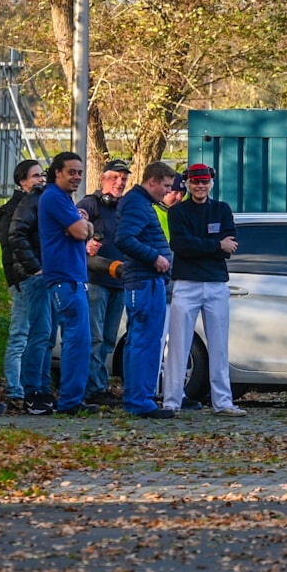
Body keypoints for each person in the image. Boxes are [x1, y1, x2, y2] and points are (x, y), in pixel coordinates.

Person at [165, 162, 242, 416]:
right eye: (196, 182)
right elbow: (180, 245)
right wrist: (215, 245)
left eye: (204, 182)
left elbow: (230, 244)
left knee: (220, 346)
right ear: (187, 183)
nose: (200, 186)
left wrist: (206, 246)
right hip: (186, 283)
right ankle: (172, 401)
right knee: (179, 344)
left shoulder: (222, 209)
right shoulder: (177, 212)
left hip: (216, 283)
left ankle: (223, 402)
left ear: (211, 183)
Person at [112, 160, 180, 419]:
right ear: (152, 181)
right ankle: (141, 401)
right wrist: (155, 257)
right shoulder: (138, 203)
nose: (167, 191)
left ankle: (136, 399)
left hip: (144, 281)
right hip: (145, 281)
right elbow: (124, 238)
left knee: (139, 341)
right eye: (165, 185)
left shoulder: (140, 203)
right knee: (145, 341)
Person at [39, 151, 99, 416]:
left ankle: (73, 398)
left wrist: (84, 225)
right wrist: (82, 226)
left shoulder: (64, 200)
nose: (76, 177)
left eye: (79, 172)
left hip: (74, 277)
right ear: (57, 173)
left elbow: (85, 231)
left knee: (82, 340)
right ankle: (70, 402)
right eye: (71, 172)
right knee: (77, 340)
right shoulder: (53, 197)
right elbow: (79, 232)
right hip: (65, 277)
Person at [0, 159, 53, 412]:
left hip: (32, 276)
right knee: (22, 333)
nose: (41, 179)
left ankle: (31, 386)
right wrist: (34, 268)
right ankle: (15, 389)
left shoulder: (38, 203)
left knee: (39, 334)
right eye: (35, 176)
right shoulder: (15, 209)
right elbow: (13, 241)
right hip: (24, 279)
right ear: (22, 181)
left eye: (42, 175)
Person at [77, 158, 131, 405]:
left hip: (119, 282)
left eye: (124, 179)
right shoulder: (90, 204)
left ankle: (101, 385)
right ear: (103, 179)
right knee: (95, 338)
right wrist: (85, 244)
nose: (120, 183)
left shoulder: (125, 208)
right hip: (96, 280)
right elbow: (72, 231)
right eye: (115, 178)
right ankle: (93, 389)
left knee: (109, 338)